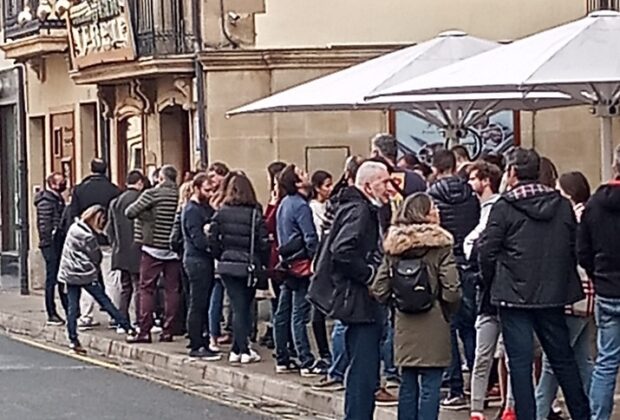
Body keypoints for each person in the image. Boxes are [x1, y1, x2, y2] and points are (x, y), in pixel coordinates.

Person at [479, 147, 590, 420]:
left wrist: (492, 279)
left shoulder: (504, 207)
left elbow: (486, 250)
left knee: (519, 365)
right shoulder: (561, 205)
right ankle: (582, 414)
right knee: (563, 359)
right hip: (553, 292)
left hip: (512, 294)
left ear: (512, 173)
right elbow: (574, 246)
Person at [310, 161, 391, 420]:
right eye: (384, 182)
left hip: (356, 298)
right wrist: (369, 275)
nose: (389, 188)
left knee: (362, 368)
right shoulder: (360, 210)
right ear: (368, 185)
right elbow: (342, 251)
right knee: (363, 370)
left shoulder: (356, 207)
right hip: (359, 299)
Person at [372, 192, 461, 420]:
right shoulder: (441, 247)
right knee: (431, 384)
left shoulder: (394, 248)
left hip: (405, 322)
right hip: (435, 321)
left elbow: (379, 288)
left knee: (408, 382)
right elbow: (452, 289)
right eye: (433, 208)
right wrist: (446, 310)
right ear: (424, 215)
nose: (438, 211)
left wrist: (397, 304)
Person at [535, 171, 594, 420]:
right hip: (588, 295)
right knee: (582, 359)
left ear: (569, 194)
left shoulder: (574, 217)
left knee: (553, 361)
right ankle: (593, 410)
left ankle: (537, 412)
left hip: (573, 294)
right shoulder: (586, 214)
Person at [428, 148, 480, 410]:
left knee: (447, 328)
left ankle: (454, 387)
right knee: (470, 326)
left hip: (445, 264)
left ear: (435, 168)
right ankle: (478, 384)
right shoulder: (472, 194)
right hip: (469, 263)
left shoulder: (431, 196)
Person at [207, 173, 269, 364]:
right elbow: (263, 242)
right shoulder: (254, 213)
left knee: (237, 306)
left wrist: (221, 255)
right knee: (244, 307)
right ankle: (243, 349)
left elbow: (212, 239)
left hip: (227, 265)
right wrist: (262, 261)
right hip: (248, 265)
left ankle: (237, 349)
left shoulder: (221, 212)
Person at [578, 145, 620, 420]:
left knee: (606, 360)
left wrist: (597, 275)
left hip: (607, 288)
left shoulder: (594, 203)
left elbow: (583, 250)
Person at [57, 205, 135, 354]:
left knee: (72, 307)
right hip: (85, 274)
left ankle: (73, 340)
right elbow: (96, 256)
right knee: (105, 301)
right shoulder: (88, 236)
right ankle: (128, 328)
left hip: (69, 273)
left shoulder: (74, 228)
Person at [462, 161, 503, 420]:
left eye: (473, 178)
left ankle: (479, 408)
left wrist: (479, 275)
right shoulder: (484, 208)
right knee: (495, 355)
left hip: (492, 292)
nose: (469, 183)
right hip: (497, 290)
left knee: (486, 355)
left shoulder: (494, 209)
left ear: (486, 181)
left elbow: (477, 246)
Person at [274, 164, 323, 376]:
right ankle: (306, 360)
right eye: (302, 173)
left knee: (282, 313)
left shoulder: (284, 203)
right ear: (296, 182)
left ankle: (282, 357)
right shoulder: (301, 206)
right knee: (299, 314)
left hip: (287, 262)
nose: (307, 174)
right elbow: (309, 237)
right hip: (301, 263)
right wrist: (316, 260)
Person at [126, 165, 180, 343]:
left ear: (161, 178)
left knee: (147, 289)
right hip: (173, 249)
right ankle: (168, 330)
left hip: (152, 247)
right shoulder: (179, 194)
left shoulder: (152, 194)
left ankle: (144, 331)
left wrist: (148, 217)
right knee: (172, 290)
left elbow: (130, 212)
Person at [69, 159, 121, 330]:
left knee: (86, 277)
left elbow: (74, 215)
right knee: (111, 278)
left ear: (91, 169)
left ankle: (86, 316)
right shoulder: (114, 190)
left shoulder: (80, 190)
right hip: (106, 240)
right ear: (106, 170)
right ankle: (114, 316)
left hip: (86, 239)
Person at [179, 173, 221, 360]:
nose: (210, 194)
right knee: (198, 303)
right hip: (196, 261)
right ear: (196, 188)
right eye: (207, 190)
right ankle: (196, 343)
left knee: (202, 303)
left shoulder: (205, 208)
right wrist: (212, 243)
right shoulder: (192, 210)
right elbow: (199, 240)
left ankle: (201, 340)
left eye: (212, 190)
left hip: (203, 260)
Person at [105, 170, 145, 330]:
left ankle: (122, 321)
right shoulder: (142, 199)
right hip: (138, 249)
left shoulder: (115, 202)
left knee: (125, 287)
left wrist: (115, 244)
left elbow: (109, 229)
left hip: (120, 250)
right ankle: (139, 321)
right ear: (140, 182)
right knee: (139, 287)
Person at [260, 161, 287, 350]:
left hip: (279, 257)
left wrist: (271, 203)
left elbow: (268, 225)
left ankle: (279, 338)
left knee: (280, 302)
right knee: (277, 300)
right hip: (276, 257)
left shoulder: (281, 204)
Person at [35, 172, 69, 326]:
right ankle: (51, 313)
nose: (64, 184)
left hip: (58, 243)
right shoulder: (46, 201)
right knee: (52, 279)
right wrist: (51, 239)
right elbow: (45, 226)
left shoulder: (57, 199)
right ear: (53, 184)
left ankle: (68, 309)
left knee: (61, 278)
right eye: (61, 182)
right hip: (51, 245)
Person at [309, 170, 333, 238]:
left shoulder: (331, 204)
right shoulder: (311, 207)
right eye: (327, 186)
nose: (331, 188)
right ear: (317, 188)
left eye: (331, 185)